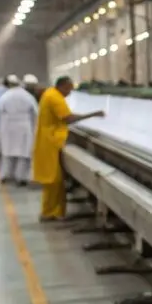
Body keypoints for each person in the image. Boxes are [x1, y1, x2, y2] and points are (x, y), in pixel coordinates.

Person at [31, 76, 103, 221]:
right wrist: (93, 114)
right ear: (62, 86)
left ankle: (53, 211)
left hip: (48, 140)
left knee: (55, 181)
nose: (69, 93)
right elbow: (68, 118)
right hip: (50, 142)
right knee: (53, 180)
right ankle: (49, 213)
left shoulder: (50, 93)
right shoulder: (55, 97)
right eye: (68, 89)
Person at [0, 74, 38, 186]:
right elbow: (35, 112)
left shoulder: (5, 96)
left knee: (7, 152)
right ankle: (21, 177)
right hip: (24, 126)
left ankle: (5, 175)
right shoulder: (27, 96)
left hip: (8, 126)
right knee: (23, 153)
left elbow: (0, 109)